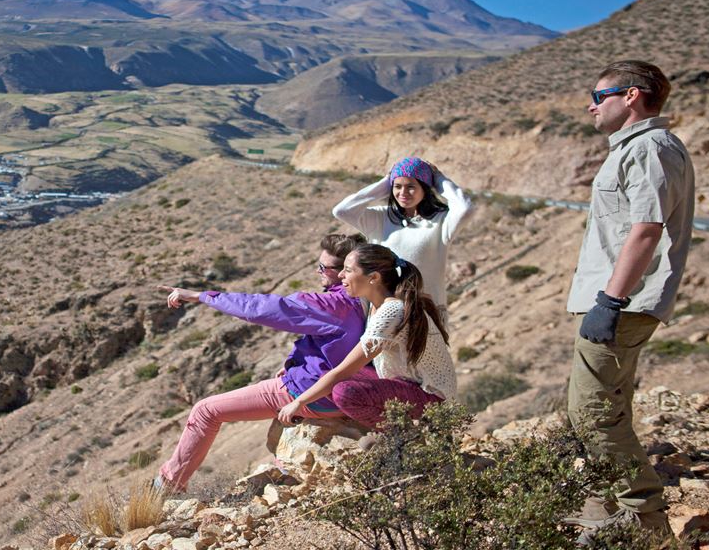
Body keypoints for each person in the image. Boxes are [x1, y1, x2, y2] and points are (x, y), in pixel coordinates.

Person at [562, 61, 694, 541]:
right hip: (620, 300)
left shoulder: (651, 149)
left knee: (592, 411)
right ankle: (603, 512)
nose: (591, 105)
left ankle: (644, 522)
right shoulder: (638, 149)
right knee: (608, 407)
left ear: (632, 95)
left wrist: (610, 300)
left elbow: (646, 228)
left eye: (600, 95)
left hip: (625, 302)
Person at [153, 232, 369, 493]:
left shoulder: (331, 303)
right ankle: (286, 470)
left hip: (312, 393)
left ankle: (166, 486)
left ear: (346, 270)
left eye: (324, 267)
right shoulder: (366, 299)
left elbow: (261, 307)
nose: (318, 270)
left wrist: (203, 296)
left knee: (205, 411)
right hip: (343, 389)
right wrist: (293, 362)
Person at [276, 243, 456, 430]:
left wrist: (299, 402)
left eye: (348, 270)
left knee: (344, 392)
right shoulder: (375, 305)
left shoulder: (391, 311)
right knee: (325, 373)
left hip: (432, 398)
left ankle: (401, 437)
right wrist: (296, 364)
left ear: (374, 278)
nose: (340, 275)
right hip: (405, 383)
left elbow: (343, 371)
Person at [332, 157, 471, 319]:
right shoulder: (380, 217)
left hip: (426, 314)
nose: (403, 193)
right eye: (398, 187)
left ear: (425, 188)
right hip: (383, 314)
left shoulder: (441, 221)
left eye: (411, 187)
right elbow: (341, 211)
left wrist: (438, 179)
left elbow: (465, 208)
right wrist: (386, 182)